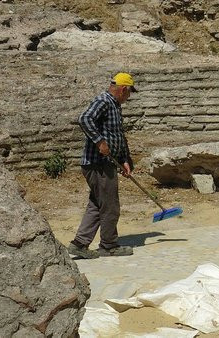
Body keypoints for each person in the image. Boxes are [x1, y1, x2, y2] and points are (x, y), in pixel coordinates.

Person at [67, 72, 137, 259]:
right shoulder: (104, 101)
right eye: (129, 92)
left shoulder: (115, 105)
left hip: (107, 164)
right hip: (98, 164)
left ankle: (80, 244)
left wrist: (124, 160)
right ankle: (108, 245)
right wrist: (100, 142)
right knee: (110, 206)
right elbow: (85, 119)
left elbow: (117, 135)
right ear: (123, 89)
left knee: (97, 204)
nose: (129, 97)